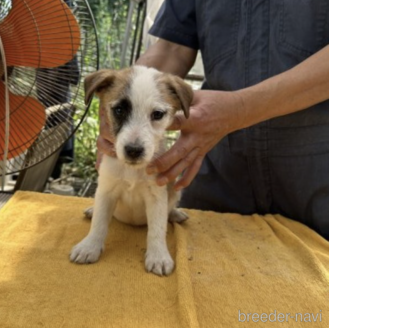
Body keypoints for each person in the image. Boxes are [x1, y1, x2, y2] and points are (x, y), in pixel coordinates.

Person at [97, 0, 329, 240]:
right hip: (219, 174)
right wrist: (127, 97)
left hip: (316, 178)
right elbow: (172, 48)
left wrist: (239, 109)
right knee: (202, 264)